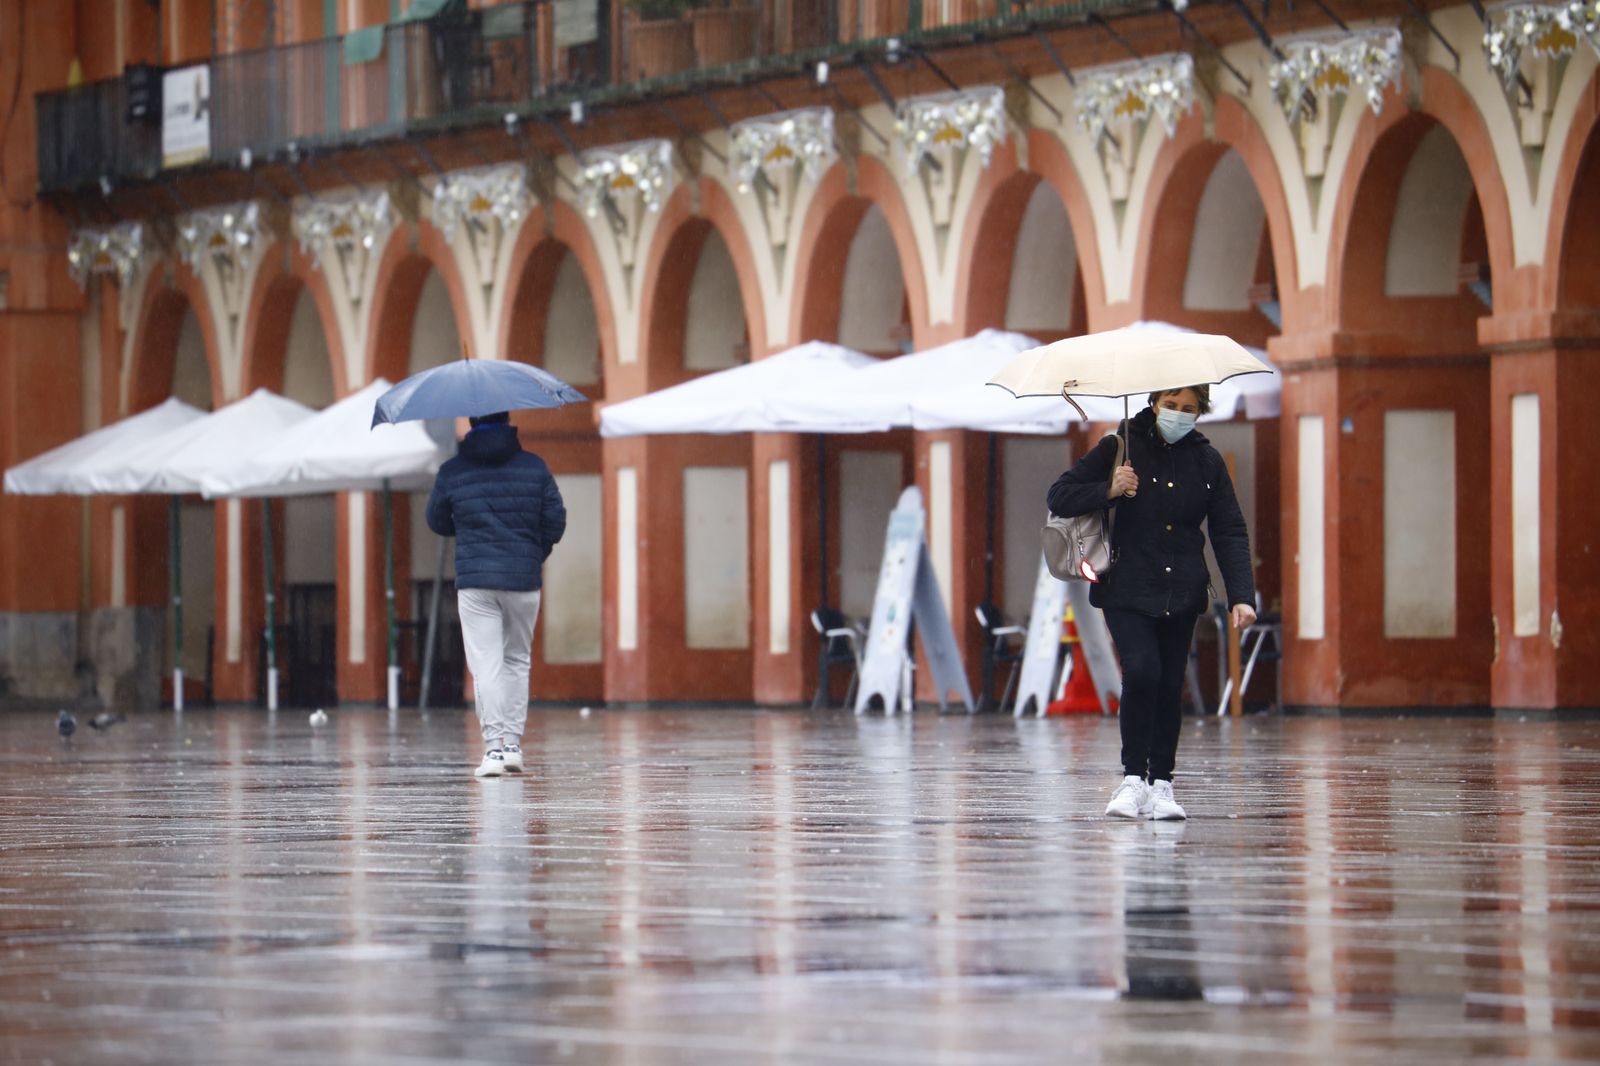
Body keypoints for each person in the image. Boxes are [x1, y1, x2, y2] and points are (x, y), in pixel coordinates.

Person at [1047, 386, 1255, 820]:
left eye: (1190, 409)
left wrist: (1242, 597)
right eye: (1172, 406)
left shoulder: (1207, 460)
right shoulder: (1120, 443)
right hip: (1126, 584)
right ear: (1155, 403)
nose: (1179, 415)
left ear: (1201, 413)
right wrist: (1109, 488)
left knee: (1168, 682)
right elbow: (1060, 496)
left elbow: (1229, 530)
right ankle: (1132, 779)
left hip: (1182, 588)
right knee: (1142, 669)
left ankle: (1162, 785)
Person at [427, 411, 566, 778]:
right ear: (508, 422)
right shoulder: (535, 467)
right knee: (517, 660)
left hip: (476, 582)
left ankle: (493, 750)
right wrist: (533, 554)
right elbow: (556, 520)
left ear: (471, 424)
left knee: (486, 665)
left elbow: (436, 520)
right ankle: (514, 746)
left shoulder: (453, 470)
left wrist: (466, 521)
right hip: (523, 580)